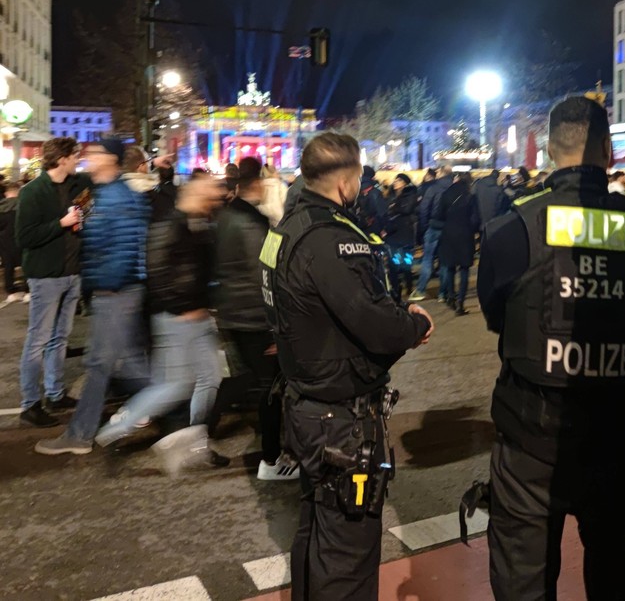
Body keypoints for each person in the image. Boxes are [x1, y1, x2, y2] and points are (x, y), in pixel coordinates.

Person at [476, 97, 625, 601]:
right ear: (608, 149)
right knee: (617, 573)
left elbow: (497, 319)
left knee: (522, 580)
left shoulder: (511, 227)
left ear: (551, 150)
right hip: (617, 437)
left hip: (529, 437)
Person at [261, 132, 433, 600]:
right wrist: (413, 323)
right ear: (346, 182)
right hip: (342, 420)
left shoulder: (285, 229)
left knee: (315, 531)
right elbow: (376, 324)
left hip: (304, 405)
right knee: (349, 551)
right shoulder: (333, 239)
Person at [95, 176, 229, 474]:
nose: (217, 196)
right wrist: (183, 309)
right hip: (178, 320)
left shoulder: (200, 224)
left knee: (210, 379)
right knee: (175, 385)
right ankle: (119, 425)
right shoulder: (170, 225)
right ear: (196, 194)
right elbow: (157, 274)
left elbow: (202, 272)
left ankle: (195, 441)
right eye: (211, 191)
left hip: (197, 318)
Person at [35, 139, 152, 455]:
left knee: (104, 364)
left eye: (95, 153)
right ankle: (176, 404)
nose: (88, 156)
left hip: (116, 291)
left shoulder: (117, 196)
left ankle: (81, 434)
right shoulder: (97, 193)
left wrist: (104, 286)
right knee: (116, 365)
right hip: (110, 291)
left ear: (111, 159)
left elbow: (126, 249)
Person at [214, 156, 298, 481]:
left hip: (232, 312)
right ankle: (272, 460)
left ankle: (200, 424)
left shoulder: (227, 215)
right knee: (270, 387)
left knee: (251, 380)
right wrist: (273, 324)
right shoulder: (252, 223)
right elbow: (262, 275)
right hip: (253, 316)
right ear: (258, 183)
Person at [15, 137, 88, 428]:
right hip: (45, 276)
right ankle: (30, 403)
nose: (78, 161)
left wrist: (84, 216)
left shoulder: (77, 185)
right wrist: (61, 223)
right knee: (38, 340)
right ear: (61, 159)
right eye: (74, 156)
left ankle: (55, 393)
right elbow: (25, 238)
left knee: (60, 338)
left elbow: (87, 215)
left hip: (72, 274)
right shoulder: (32, 192)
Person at [435, 172, 480, 315]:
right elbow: (475, 218)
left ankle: (450, 297)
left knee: (450, 267)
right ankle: (460, 302)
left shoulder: (446, 194)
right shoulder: (470, 196)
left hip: (449, 233)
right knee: (464, 269)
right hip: (465, 234)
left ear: (456, 179)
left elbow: (439, 215)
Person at [409, 165, 452, 301]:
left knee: (428, 260)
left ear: (441, 173)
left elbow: (424, 208)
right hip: (447, 228)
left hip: (433, 226)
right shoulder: (453, 188)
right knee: (444, 261)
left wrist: (423, 228)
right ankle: (442, 293)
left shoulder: (433, 187)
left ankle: (421, 290)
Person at [384, 173, 418, 298]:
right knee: (394, 262)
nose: (395, 182)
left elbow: (407, 209)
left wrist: (394, 208)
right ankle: (396, 288)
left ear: (404, 183)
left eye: (399, 180)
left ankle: (408, 286)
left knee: (406, 262)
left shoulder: (410, 194)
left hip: (405, 233)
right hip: (392, 234)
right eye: (395, 180)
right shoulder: (390, 196)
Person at [0, 182, 27, 302]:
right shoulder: (23, 206)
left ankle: (10, 290)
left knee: (8, 266)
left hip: (5, 242)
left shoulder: (1, 207)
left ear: (6, 193)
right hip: (20, 240)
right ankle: (27, 290)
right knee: (26, 265)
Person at [354, 166, 388, 238]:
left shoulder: (355, 189)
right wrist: (383, 228)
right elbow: (382, 213)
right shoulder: (375, 192)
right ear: (371, 176)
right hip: (373, 228)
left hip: (359, 226)